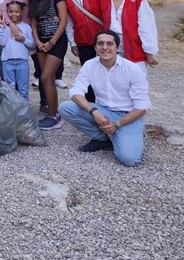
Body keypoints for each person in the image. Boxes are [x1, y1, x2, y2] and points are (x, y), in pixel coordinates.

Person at [58, 30, 151, 167]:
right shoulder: (90, 65)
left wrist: (117, 125)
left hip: (128, 116)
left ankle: (120, 134)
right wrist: (94, 112)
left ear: (117, 48)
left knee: (129, 160)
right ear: (95, 47)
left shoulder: (133, 69)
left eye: (109, 44)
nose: (105, 47)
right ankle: (102, 138)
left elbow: (142, 107)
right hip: (103, 112)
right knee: (65, 108)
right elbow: (76, 91)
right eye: (100, 44)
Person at [100, 0, 158, 76]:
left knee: (135, 82)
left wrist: (150, 51)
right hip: (110, 47)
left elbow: (147, 26)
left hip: (133, 46)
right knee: (112, 81)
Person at [29, 0, 68, 130]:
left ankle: (55, 117)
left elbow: (64, 21)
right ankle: (53, 113)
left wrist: (51, 42)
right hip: (41, 43)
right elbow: (33, 23)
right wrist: (38, 41)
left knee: (45, 77)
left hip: (56, 42)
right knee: (47, 79)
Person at [62, 0, 104, 102]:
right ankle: (91, 105)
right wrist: (73, 43)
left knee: (106, 71)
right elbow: (68, 22)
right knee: (89, 73)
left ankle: (109, 104)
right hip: (83, 40)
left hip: (103, 39)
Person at [0, 2, 35, 101]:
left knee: (23, 90)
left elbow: (32, 44)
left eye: (16, 12)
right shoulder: (5, 26)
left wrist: (23, 39)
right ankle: (12, 112)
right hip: (7, 61)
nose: (13, 14)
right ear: (7, 13)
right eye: (10, 12)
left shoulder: (26, 27)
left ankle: (24, 113)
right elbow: (1, 43)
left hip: (22, 61)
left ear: (21, 12)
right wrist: (2, 29)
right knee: (10, 89)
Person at [50, 0, 71, 88]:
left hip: (62, 20)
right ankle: (38, 76)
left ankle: (58, 76)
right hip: (46, 20)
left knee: (59, 48)